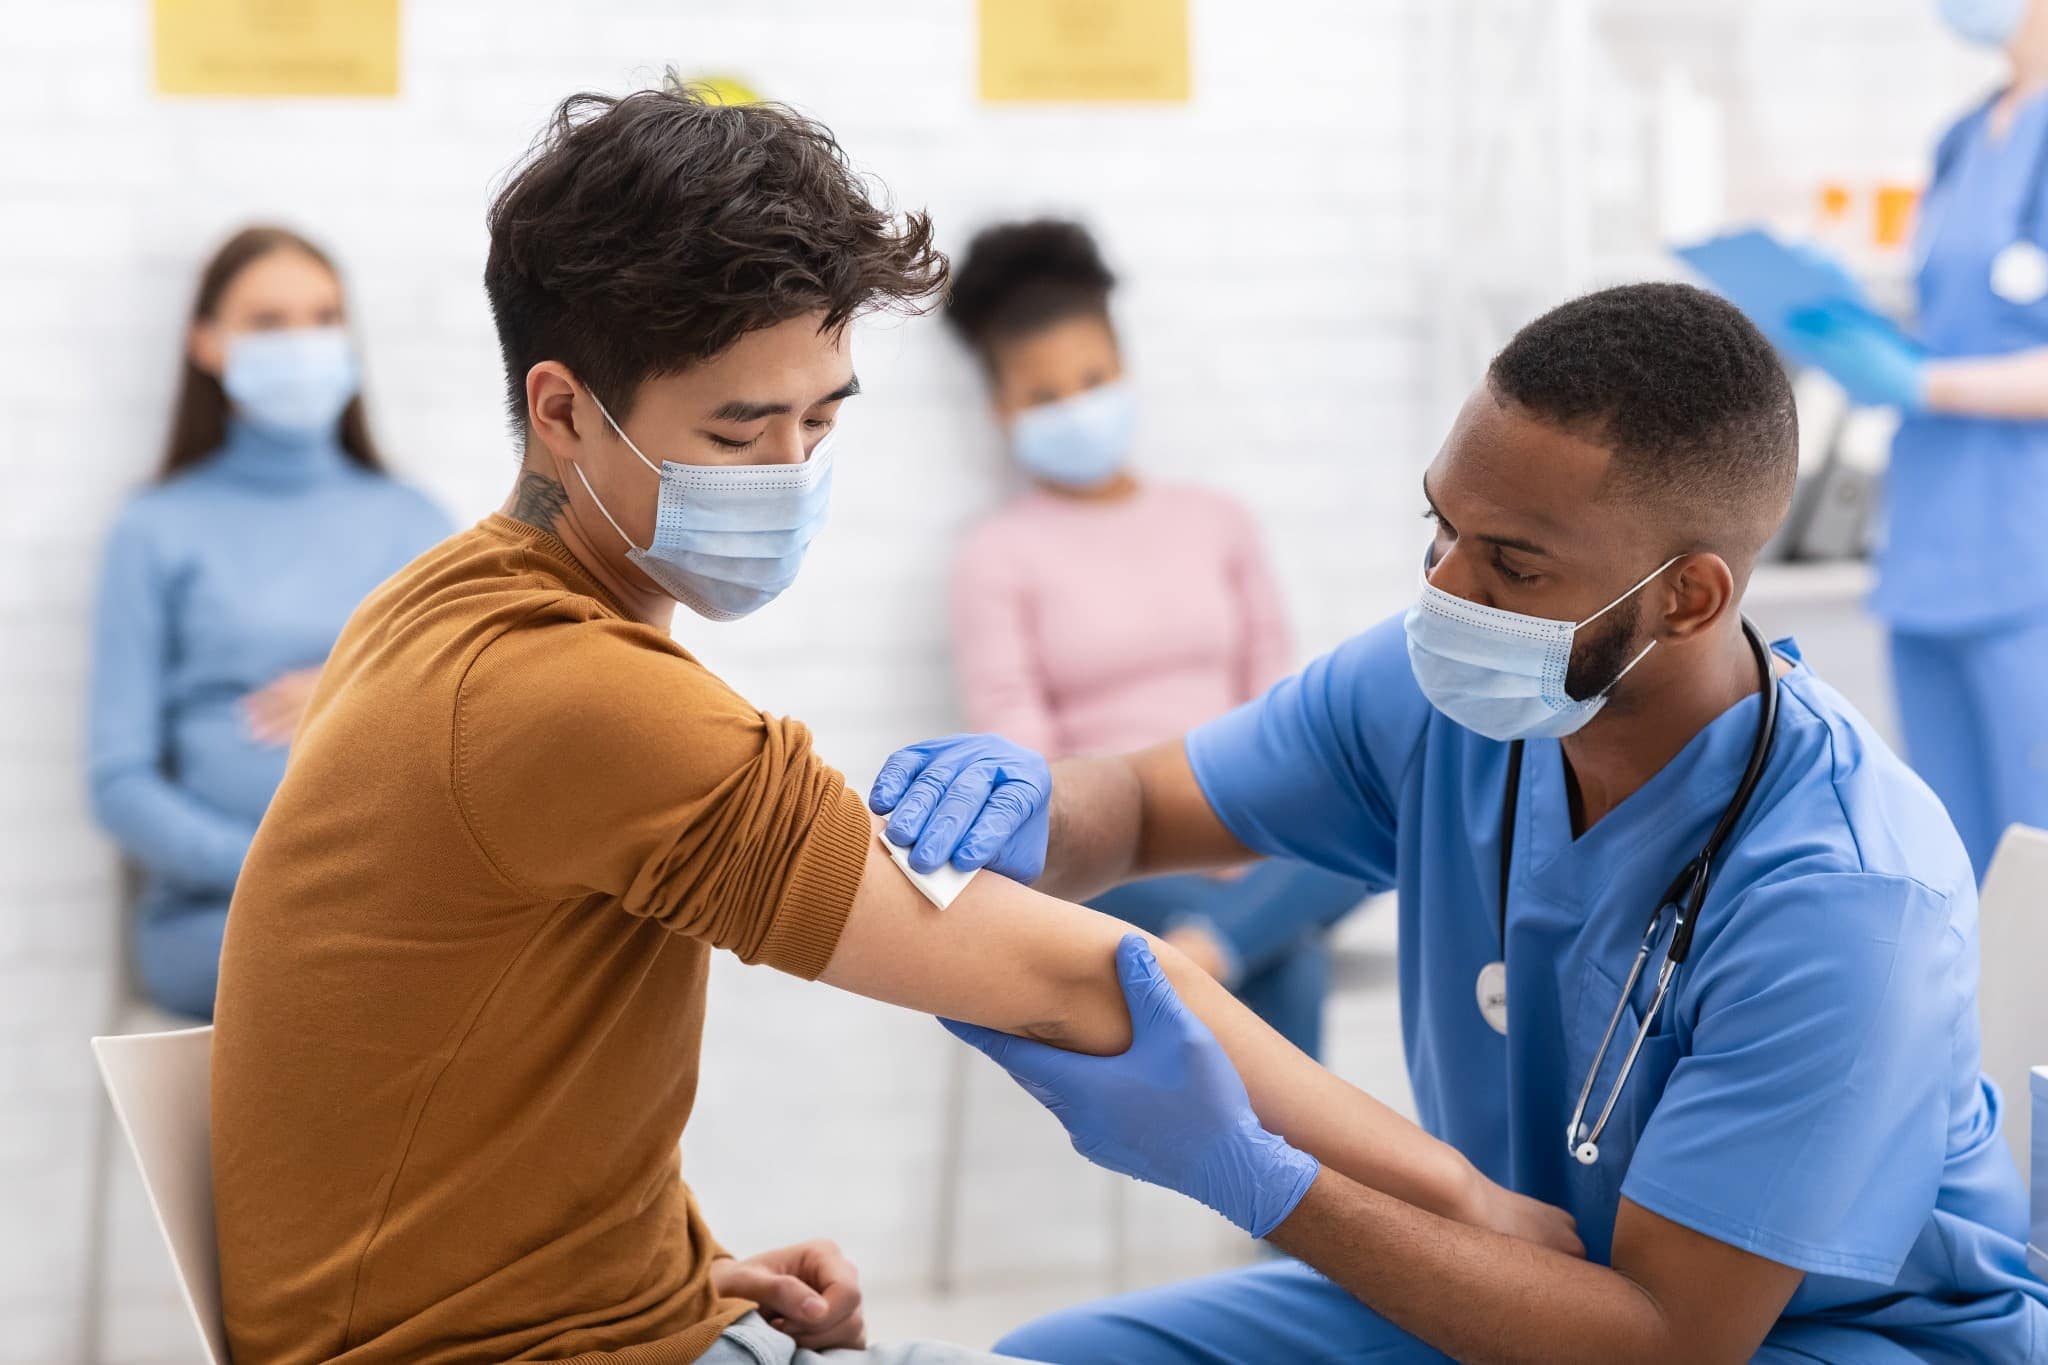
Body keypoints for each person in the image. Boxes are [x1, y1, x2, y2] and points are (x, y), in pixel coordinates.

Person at [206, 84, 1577, 1365]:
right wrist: (1468, 1200)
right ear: (564, 411)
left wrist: (682, 1267)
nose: (793, 476)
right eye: (742, 436)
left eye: (822, 420)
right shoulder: (573, 695)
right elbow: (1091, 981)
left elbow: (457, 1066)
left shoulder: (437, 604)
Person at [879, 283, 2048, 1361]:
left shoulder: (1843, 897)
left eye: (1510, 564)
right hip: (1524, 1283)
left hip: (1805, 1339)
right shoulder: (1433, 694)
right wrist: (1034, 808)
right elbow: (1137, 807)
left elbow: (1660, 1343)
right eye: (1439, 526)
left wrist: (1253, 1178)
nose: (1442, 588)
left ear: (1686, 597)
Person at [940, 218, 1369, 1058]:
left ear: (1126, 370)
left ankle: (1202, 959)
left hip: (1247, 816)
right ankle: (1313, 1174)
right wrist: (1156, 837)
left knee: (1376, 817)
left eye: (1093, 378)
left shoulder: (1218, 521)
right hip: (1106, 857)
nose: (1076, 407)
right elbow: (1021, 754)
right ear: (1002, 409)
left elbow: (1275, 700)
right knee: (1292, 955)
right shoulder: (994, 557)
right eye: (1043, 395)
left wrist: (1240, 828)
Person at [87, 225, 449, 1020]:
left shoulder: (419, 525)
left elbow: (473, 731)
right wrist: (271, 866)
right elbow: (120, 780)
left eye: (323, 317)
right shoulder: (156, 528)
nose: (304, 343)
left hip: (394, 901)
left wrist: (354, 685)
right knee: (353, 983)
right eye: (268, 322)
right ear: (208, 345)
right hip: (216, 916)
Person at [1782, 0, 2048, 880]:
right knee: (1950, 857)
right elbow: (1948, 315)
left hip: (2026, 550)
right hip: (1934, 542)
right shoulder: (1965, 137)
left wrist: (1925, 383)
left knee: (2036, 850)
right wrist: (1836, 320)